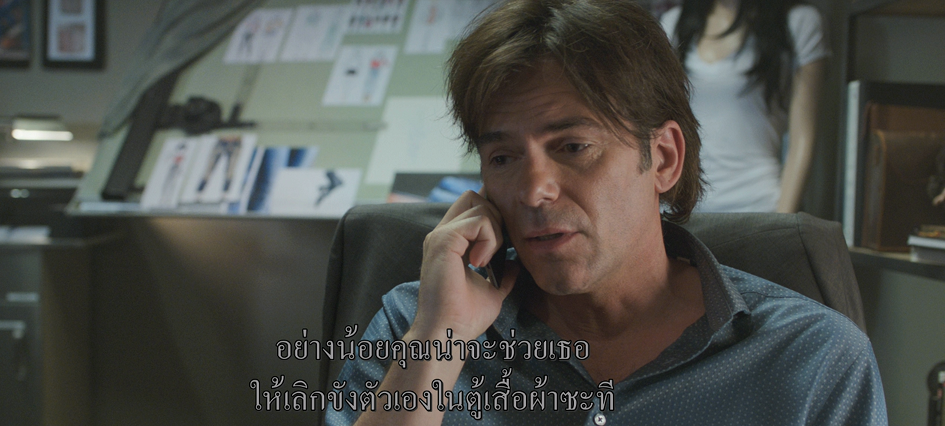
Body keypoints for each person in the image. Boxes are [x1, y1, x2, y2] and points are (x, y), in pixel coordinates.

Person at [326, 0, 886, 424]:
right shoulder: (416, 323)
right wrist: (437, 343)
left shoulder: (813, 360)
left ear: (663, 158)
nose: (533, 192)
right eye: (502, 157)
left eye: (573, 147)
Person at [660, 0, 829, 213]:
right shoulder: (674, 23)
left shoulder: (799, 22)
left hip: (757, 207)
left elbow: (803, 139)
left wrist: (781, 222)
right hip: (681, 208)